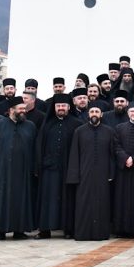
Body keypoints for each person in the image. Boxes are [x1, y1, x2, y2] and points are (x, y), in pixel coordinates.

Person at [0, 97, 37, 240]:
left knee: (21, 201)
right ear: (11, 110)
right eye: (21, 109)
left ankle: (19, 230)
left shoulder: (30, 126)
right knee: (1, 200)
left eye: (24, 108)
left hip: (23, 174)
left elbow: (35, 150)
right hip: (2, 173)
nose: (24, 111)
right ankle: (0, 231)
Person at [34, 95, 80, 239]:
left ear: (68, 107)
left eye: (63, 106)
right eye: (58, 106)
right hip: (49, 169)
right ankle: (45, 230)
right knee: (47, 200)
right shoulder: (47, 124)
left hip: (68, 169)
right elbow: (39, 147)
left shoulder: (76, 124)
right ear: (54, 108)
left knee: (68, 199)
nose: (61, 108)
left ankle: (68, 230)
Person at [66, 106, 115, 241]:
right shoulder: (79, 131)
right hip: (84, 174)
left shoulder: (109, 131)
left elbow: (112, 155)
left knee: (102, 203)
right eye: (92, 112)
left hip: (103, 173)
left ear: (101, 114)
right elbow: (74, 154)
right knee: (83, 202)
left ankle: (101, 234)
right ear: (88, 114)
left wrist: (111, 172)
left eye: (97, 112)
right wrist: (74, 175)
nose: (94, 114)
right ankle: (83, 233)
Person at [113, 103, 134, 237]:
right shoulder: (119, 127)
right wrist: (125, 158)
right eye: (132, 111)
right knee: (122, 199)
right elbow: (116, 145)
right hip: (123, 169)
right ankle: (122, 229)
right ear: (128, 113)